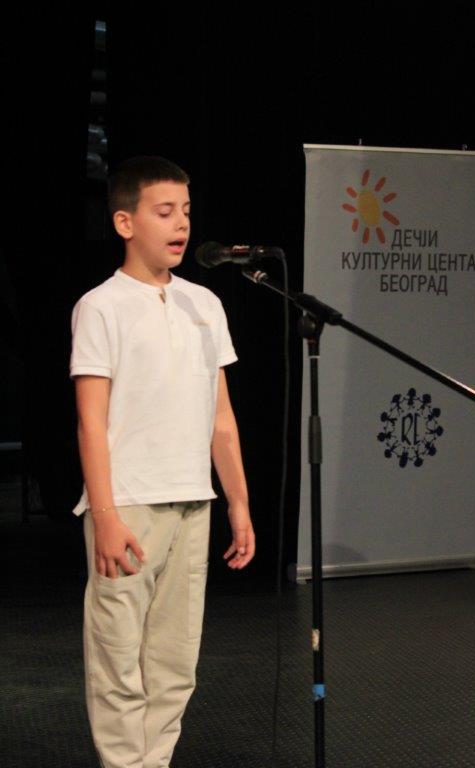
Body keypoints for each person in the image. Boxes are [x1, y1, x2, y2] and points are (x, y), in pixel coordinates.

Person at [69, 155, 255, 768]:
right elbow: (91, 422)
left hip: (192, 503)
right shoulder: (101, 306)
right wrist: (106, 515)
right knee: (119, 661)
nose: (181, 225)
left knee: (174, 663)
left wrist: (238, 503)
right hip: (127, 506)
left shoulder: (205, 304)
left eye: (187, 212)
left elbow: (220, 418)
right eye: (165, 211)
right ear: (126, 222)